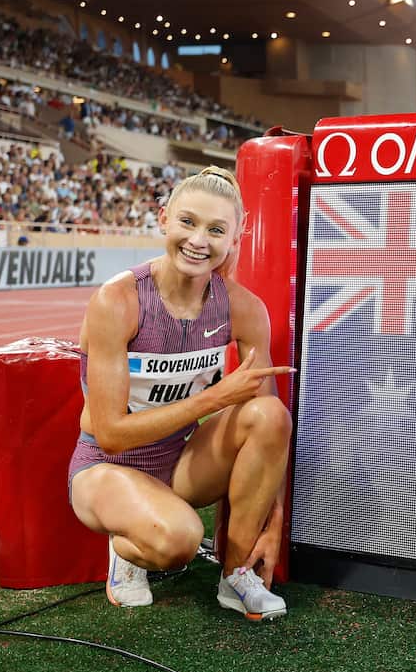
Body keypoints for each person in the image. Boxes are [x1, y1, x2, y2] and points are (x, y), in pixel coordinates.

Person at [68, 166, 294, 620]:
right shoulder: (119, 300)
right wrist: (212, 400)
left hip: (178, 463)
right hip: (105, 468)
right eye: (188, 222)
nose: (198, 240)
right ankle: (127, 550)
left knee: (271, 415)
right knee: (179, 541)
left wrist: (275, 523)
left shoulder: (244, 308)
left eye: (215, 229)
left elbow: (266, 434)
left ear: (234, 238)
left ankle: (237, 575)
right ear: (163, 219)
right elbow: (111, 433)